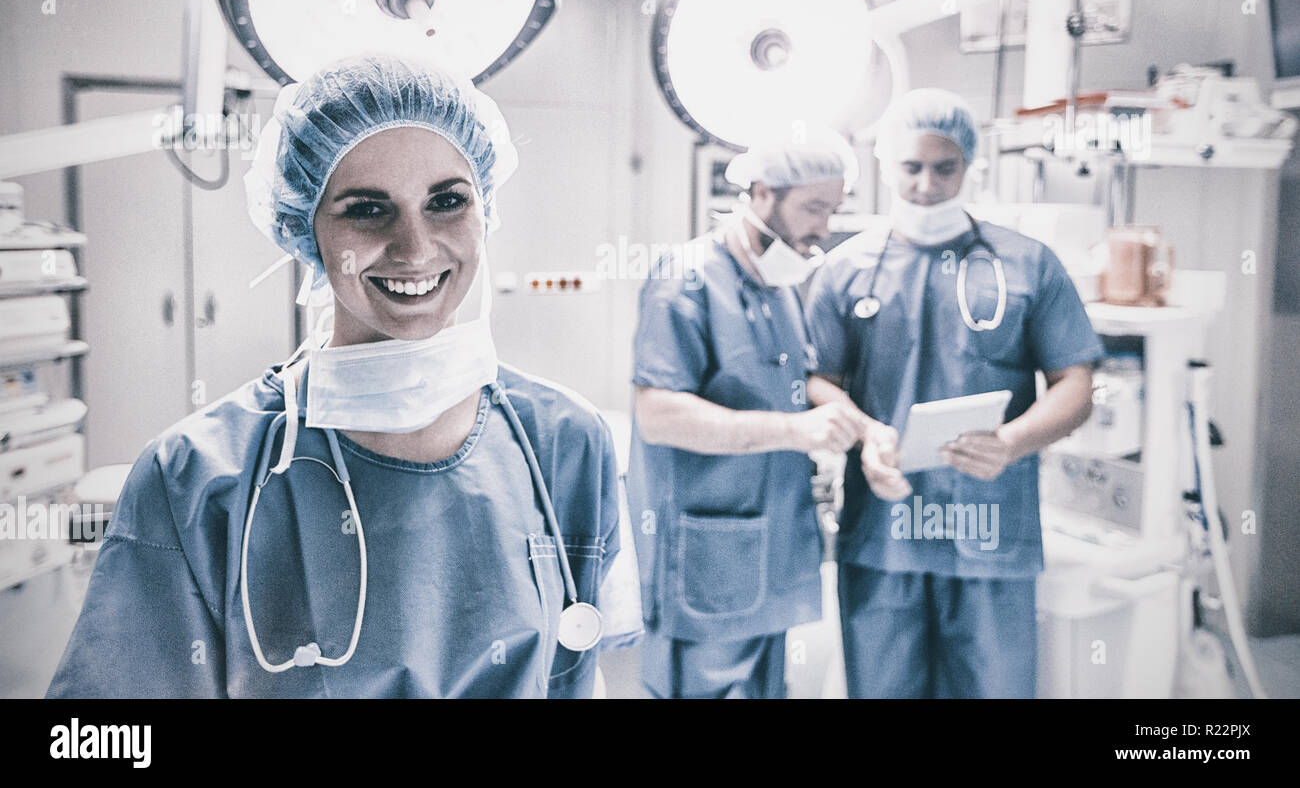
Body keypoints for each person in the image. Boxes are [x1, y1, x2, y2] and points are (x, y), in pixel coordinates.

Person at [47, 54, 620, 698]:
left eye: (447, 202)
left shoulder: (565, 443)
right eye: (367, 209)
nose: (415, 248)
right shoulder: (199, 476)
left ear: (484, 209)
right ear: (304, 229)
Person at [805, 88, 1101, 699]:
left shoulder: (1027, 265)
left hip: (991, 531)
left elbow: (1075, 383)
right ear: (886, 166)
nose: (926, 185)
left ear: (970, 165)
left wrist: (1013, 441)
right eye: (911, 167)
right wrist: (866, 433)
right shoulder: (844, 268)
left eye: (945, 168)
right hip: (885, 531)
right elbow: (816, 379)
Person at [628, 123, 866, 698]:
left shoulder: (778, 286)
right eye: (813, 208)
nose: (823, 228)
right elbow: (658, 413)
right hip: (708, 555)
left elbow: (791, 383)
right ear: (762, 193)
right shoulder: (685, 279)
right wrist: (795, 430)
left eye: (833, 210)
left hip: (773, 547)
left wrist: (863, 428)